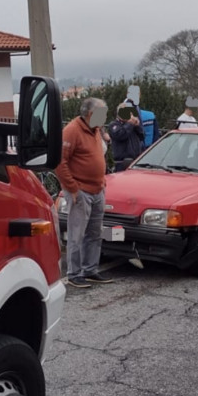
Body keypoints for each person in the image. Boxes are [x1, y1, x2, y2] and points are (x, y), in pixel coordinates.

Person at [54, 97, 114, 288]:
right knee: (77, 234)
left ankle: (90, 269)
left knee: (94, 233)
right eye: (101, 113)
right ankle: (74, 273)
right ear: (90, 114)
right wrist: (72, 188)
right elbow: (60, 162)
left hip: (97, 189)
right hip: (80, 191)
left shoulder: (95, 130)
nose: (104, 118)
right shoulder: (72, 131)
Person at [109, 102, 144, 171]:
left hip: (135, 160)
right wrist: (130, 124)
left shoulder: (131, 125)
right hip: (122, 162)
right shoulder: (114, 125)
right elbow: (121, 135)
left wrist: (137, 127)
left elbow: (142, 137)